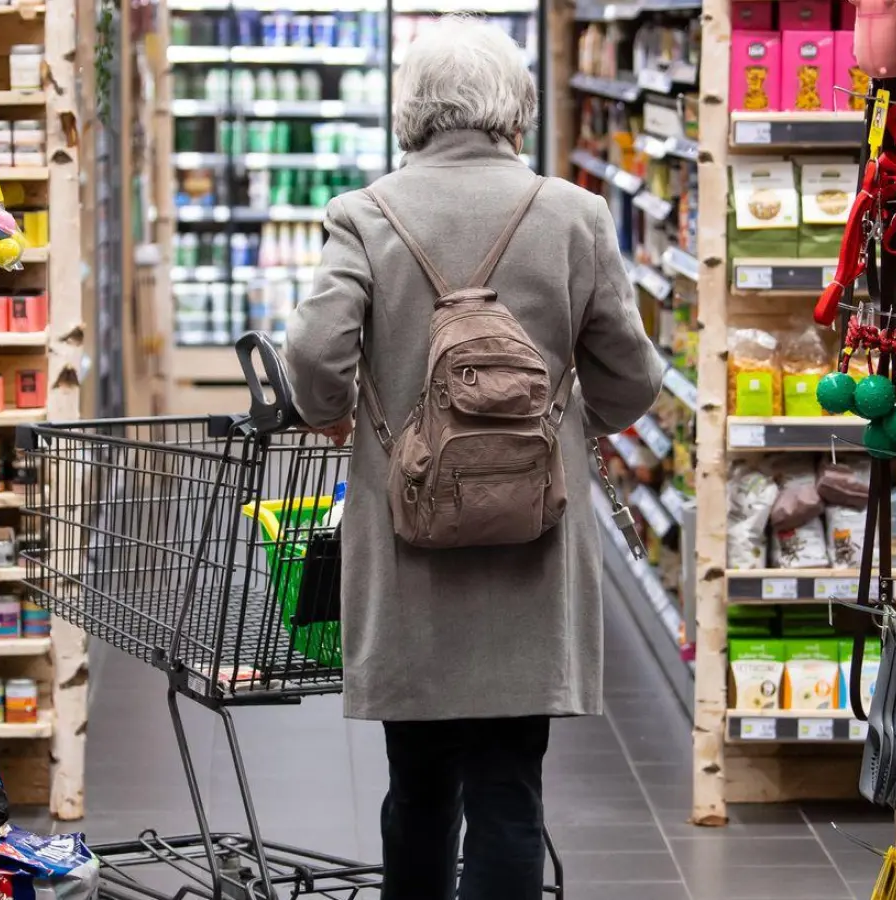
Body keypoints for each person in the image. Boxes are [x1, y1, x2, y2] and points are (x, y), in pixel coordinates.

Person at [283, 16, 663, 900]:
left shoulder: (365, 215)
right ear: (516, 108)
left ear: (410, 109)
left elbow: (313, 358)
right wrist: (570, 422)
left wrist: (335, 415)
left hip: (409, 547)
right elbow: (632, 380)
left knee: (417, 789)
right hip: (532, 546)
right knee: (510, 790)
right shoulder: (574, 216)